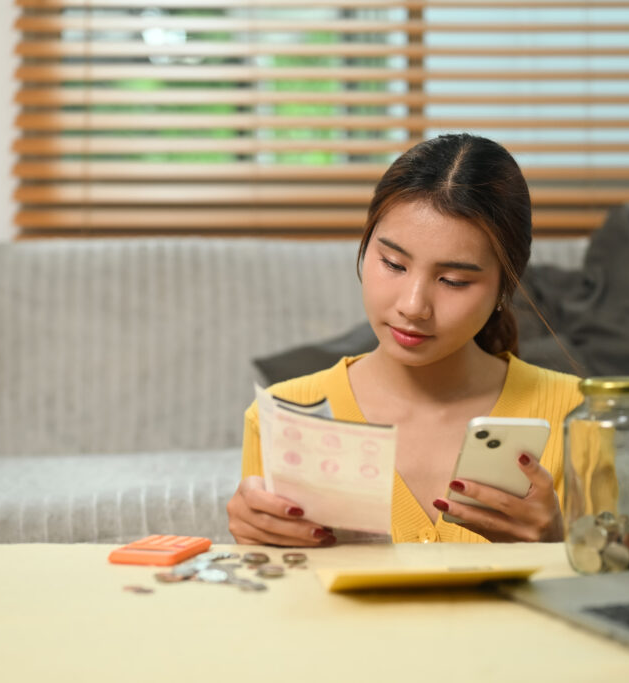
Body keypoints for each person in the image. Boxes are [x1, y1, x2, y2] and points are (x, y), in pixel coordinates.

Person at [227, 133, 583, 546]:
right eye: (393, 264)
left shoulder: (583, 418)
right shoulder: (287, 415)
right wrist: (255, 547)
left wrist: (559, 546)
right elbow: (278, 603)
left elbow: (626, 598)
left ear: (507, 286)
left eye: (453, 280)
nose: (414, 306)